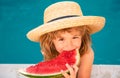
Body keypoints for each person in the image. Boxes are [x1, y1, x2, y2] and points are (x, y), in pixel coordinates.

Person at [26, 1, 105, 78]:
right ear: (50, 41)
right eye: (61, 39)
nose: (69, 45)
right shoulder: (49, 52)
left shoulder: (87, 53)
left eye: (75, 37)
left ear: (83, 36)